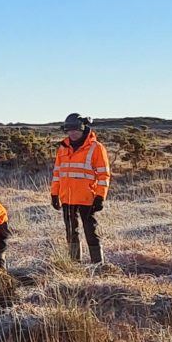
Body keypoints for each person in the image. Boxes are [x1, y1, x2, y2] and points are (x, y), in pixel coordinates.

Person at [50, 113, 111, 264]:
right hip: (67, 197)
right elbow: (57, 173)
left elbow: (104, 174)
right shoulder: (63, 148)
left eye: (75, 130)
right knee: (71, 232)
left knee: (91, 232)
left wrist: (100, 196)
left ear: (83, 128)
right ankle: (74, 264)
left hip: (87, 197)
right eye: (69, 130)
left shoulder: (96, 148)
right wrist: (54, 194)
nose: (72, 133)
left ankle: (98, 264)